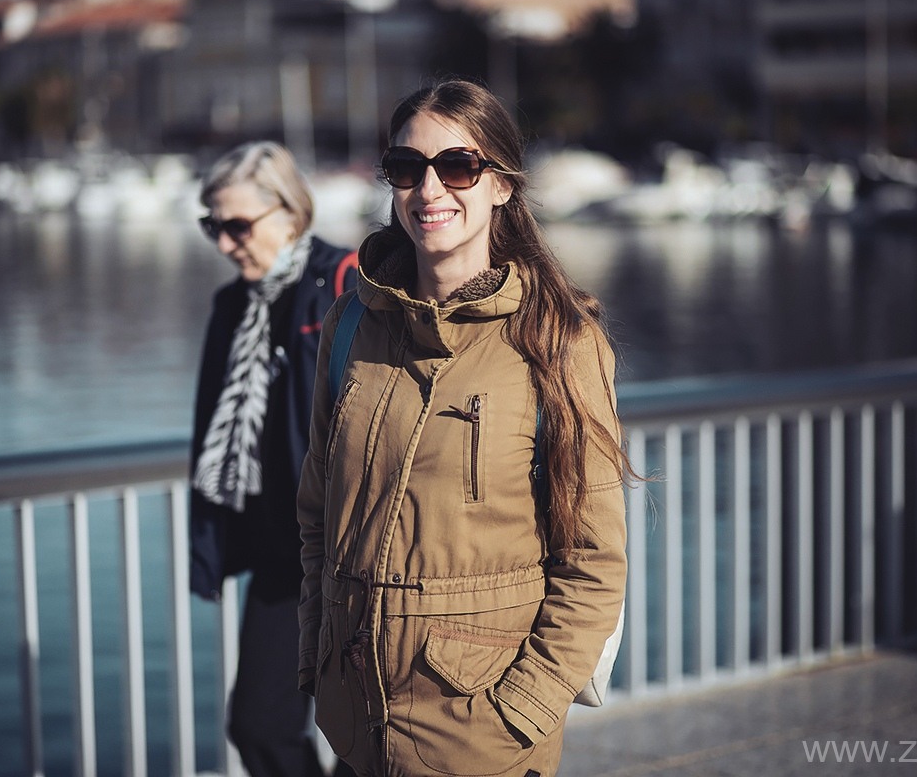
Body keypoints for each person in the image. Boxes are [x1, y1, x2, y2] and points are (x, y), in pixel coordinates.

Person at [296, 80, 631, 777]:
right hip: (355, 727)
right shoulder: (350, 325)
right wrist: (315, 662)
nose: (429, 189)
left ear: (502, 184)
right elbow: (317, 517)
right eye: (406, 167)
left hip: (482, 738)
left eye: (457, 166)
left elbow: (593, 563)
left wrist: (521, 711)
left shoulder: (558, 342)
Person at [188, 141, 358, 777]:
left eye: (237, 225)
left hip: (356, 549)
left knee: (376, 738)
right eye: (212, 226)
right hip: (284, 556)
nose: (224, 244)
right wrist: (213, 544)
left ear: (290, 212)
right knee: (258, 726)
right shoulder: (232, 307)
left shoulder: (348, 286)